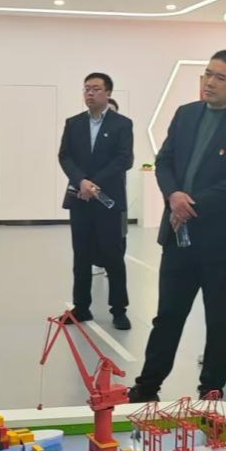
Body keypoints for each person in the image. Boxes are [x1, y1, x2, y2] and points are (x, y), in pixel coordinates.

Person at [127, 50, 226, 402]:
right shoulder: (186, 114)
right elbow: (164, 161)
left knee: (220, 320)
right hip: (178, 237)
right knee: (167, 316)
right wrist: (173, 195)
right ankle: (147, 386)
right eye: (207, 74)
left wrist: (189, 205)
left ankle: (211, 390)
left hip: (220, 242)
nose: (210, 82)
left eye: (220, 77)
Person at [59, 72, 134, 328]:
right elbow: (65, 156)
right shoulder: (73, 123)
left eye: (96, 89)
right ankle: (81, 308)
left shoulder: (122, 124)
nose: (90, 93)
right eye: (86, 89)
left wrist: (93, 184)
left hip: (108, 200)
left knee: (113, 255)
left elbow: (125, 159)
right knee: (81, 255)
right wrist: (81, 181)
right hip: (80, 198)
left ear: (108, 93)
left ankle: (119, 309)